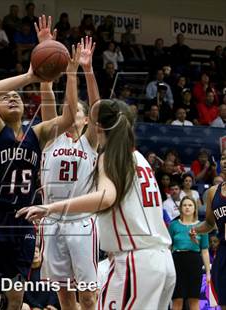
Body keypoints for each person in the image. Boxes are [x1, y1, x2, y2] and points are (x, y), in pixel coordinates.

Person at [0, 15, 81, 310]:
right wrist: (30, 75)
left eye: (18, 96)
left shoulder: (36, 134)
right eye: (7, 97)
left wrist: (71, 73)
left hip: (23, 221)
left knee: (15, 298)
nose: (12, 97)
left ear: (26, 107)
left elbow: (67, 117)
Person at [17, 99, 176, 309]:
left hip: (135, 260)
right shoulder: (139, 158)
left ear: (98, 126)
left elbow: (105, 197)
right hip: (163, 261)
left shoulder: (110, 157)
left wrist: (50, 207)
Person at [39, 32, 100, 309]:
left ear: (86, 119)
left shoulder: (90, 141)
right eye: (69, 109)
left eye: (77, 111)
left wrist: (85, 70)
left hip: (82, 222)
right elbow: (46, 93)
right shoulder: (51, 136)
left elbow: (99, 108)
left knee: (87, 295)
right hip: (52, 221)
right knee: (63, 295)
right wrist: (45, 48)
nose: (71, 112)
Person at [190, 149, 226, 309]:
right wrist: (195, 230)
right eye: (223, 158)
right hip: (224, 251)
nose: (225, 161)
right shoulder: (213, 192)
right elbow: (210, 224)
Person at [169, 197, 210, 310]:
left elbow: (205, 250)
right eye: (185, 205)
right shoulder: (173, 225)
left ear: (195, 208)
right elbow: (168, 247)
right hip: (176, 261)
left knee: (194, 299)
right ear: (180, 208)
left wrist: (208, 272)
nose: (187, 207)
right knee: (177, 299)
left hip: (194, 261)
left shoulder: (202, 226)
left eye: (190, 205)